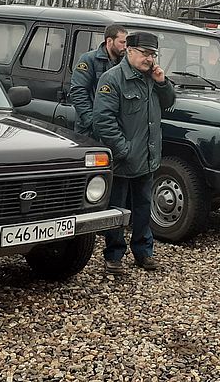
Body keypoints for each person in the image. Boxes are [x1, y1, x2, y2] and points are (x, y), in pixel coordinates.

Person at [93, 31, 176, 273]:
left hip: (147, 158)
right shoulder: (113, 79)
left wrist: (162, 82)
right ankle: (114, 255)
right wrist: (123, 149)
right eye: (145, 53)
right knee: (116, 209)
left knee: (143, 206)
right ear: (129, 51)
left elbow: (169, 102)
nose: (149, 59)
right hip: (123, 159)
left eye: (153, 54)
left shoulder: (151, 78)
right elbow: (103, 121)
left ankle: (143, 252)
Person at [68, 24, 127, 137]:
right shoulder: (89, 60)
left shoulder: (124, 64)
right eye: (122, 42)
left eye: (126, 43)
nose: (125, 46)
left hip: (114, 127)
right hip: (89, 130)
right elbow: (78, 92)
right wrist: (92, 122)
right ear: (109, 41)